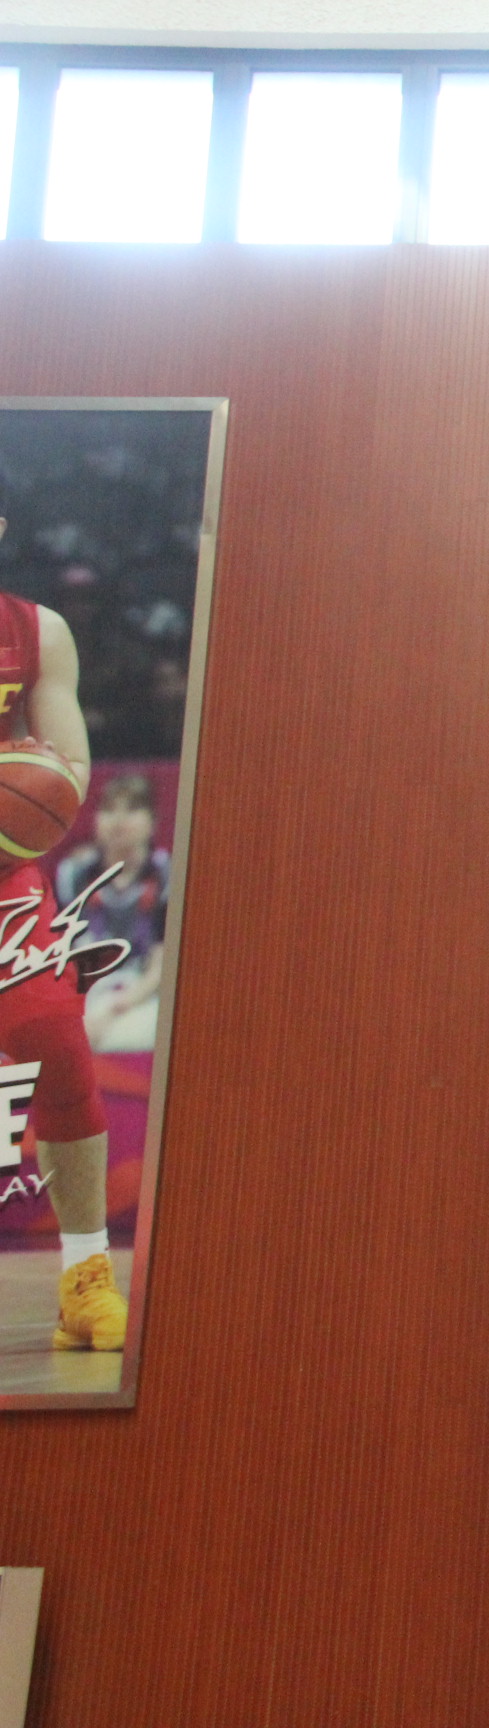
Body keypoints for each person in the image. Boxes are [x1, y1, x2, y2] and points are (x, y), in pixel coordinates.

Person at [0, 465, 125, 1353]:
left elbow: (68, 775)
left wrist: (31, 790)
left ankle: (86, 1278)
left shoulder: (36, 631)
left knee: (55, 1034)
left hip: (2, 876)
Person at [56, 772, 171, 1054]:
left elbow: (162, 966)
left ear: (153, 821)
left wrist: (113, 1008)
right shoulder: (73, 874)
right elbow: (60, 958)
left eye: (131, 810)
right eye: (108, 810)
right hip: (85, 993)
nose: (118, 821)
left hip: (141, 996)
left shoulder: (168, 875)